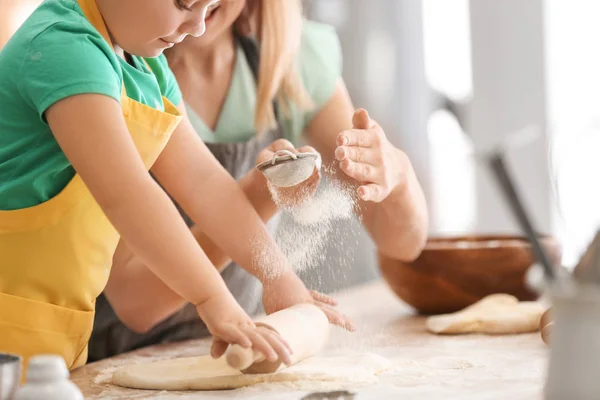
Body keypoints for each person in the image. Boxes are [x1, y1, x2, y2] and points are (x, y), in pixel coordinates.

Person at [0, 0, 351, 370]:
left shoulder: (147, 68)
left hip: (58, 330)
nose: (197, 27)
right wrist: (211, 298)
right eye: (185, 3)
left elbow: (203, 181)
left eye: (211, 6)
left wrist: (277, 275)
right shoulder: (64, 47)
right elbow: (127, 194)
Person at [89, 0, 429, 360]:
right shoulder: (111, 71)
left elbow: (403, 245)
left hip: (240, 348)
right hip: (113, 359)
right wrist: (258, 200)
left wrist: (396, 172)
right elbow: (135, 304)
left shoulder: (289, 61)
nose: (199, 17)